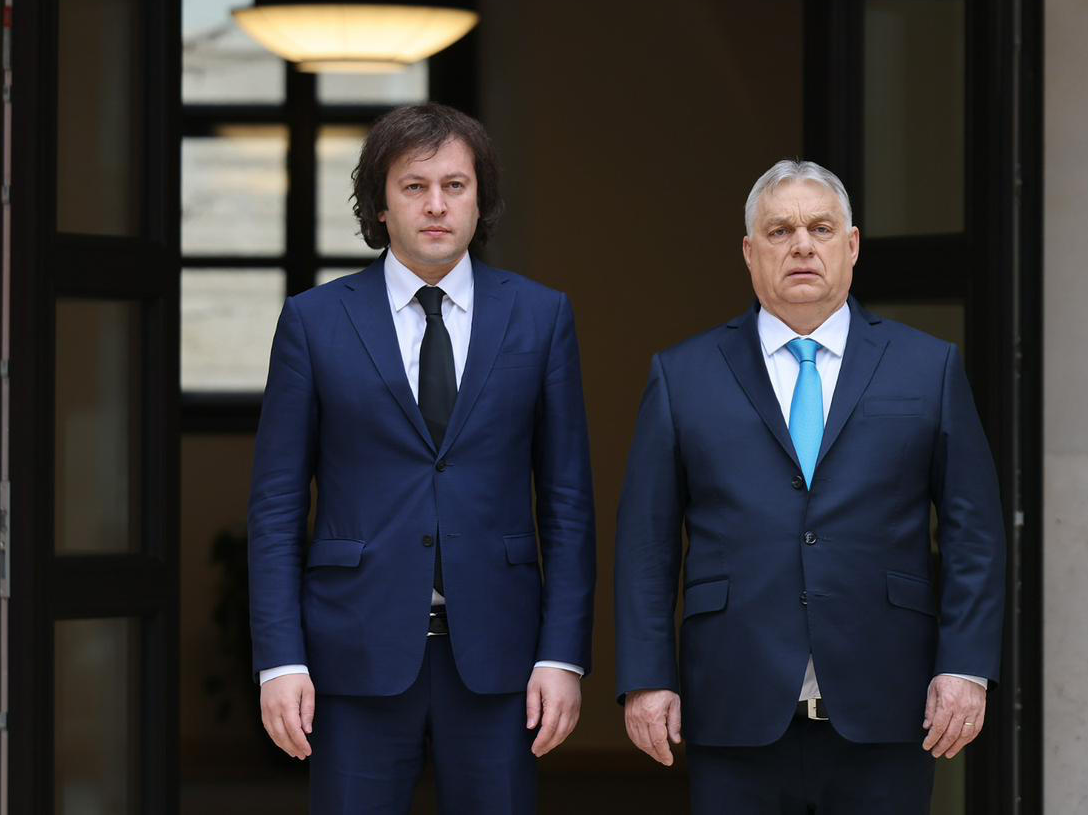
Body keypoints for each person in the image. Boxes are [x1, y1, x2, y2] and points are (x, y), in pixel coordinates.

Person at [613, 159, 1005, 813]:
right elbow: (645, 545)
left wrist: (964, 667)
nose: (801, 245)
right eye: (779, 231)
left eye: (820, 228)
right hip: (734, 705)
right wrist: (647, 677)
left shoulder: (927, 366)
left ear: (852, 246)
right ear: (749, 252)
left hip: (888, 703)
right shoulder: (683, 375)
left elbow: (975, 534)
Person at [247, 103, 596, 814]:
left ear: (479, 199)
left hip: (500, 657)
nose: (436, 204)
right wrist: (280, 660)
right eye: (414, 186)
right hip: (353, 652)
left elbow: (567, 504)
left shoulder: (541, 317)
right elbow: (277, 507)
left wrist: (561, 654)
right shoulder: (314, 321)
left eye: (455, 185)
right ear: (380, 205)